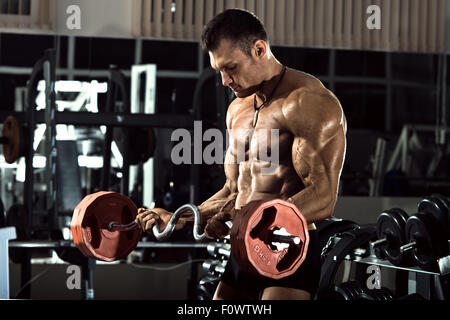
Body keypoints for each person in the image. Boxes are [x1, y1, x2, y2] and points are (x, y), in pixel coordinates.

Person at [136, 9, 347, 300]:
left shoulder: (309, 103)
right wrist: (180, 218)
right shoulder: (238, 110)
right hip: (243, 249)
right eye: (219, 70)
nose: (224, 80)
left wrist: (245, 220)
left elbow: (323, 196)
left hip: (287, 247)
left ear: (259, 49)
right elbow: (233, 191)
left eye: (231, 68)